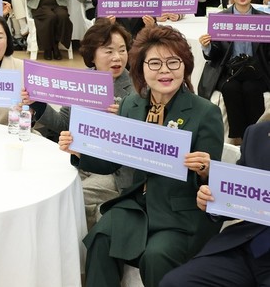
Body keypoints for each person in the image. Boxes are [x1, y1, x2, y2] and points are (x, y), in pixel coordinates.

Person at [58, 25, 224, 287]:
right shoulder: (131, 105)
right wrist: (80, 150)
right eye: (155, 63)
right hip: (138, 205)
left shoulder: (205, 112)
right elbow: (113, 160)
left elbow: (213, 183)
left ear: (185, 66)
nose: (165, 71)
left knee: (156, 257)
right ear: (141, 68)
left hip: (181, 212)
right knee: (101, 237)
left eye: (173, 62)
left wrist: (206, 169)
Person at [33, 20, 135, 229]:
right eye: (109, 51)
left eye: (122, 50)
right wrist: (36, 103)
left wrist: (124, 118)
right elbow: (63, 123)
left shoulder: (137, 87)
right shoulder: (82, 82)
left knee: (71, 198)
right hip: (79, 160)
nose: (117, 57)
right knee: (45, 188)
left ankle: (80, 246)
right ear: (92, 55)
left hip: (114, 170)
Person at [159, 120, 270, 287]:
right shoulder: (257, 133)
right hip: (248, 244)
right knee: (175, 282)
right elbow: (241, 192)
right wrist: (213, 200)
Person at [198, 0, 270, 144]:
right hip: (229, 72)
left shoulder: (264, 20)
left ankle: (254, 138)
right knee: (231, 88)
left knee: (252, 88)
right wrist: (207, 46)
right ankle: (239, 139)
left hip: (256, 71)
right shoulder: (221, 18)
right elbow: (215, 55)